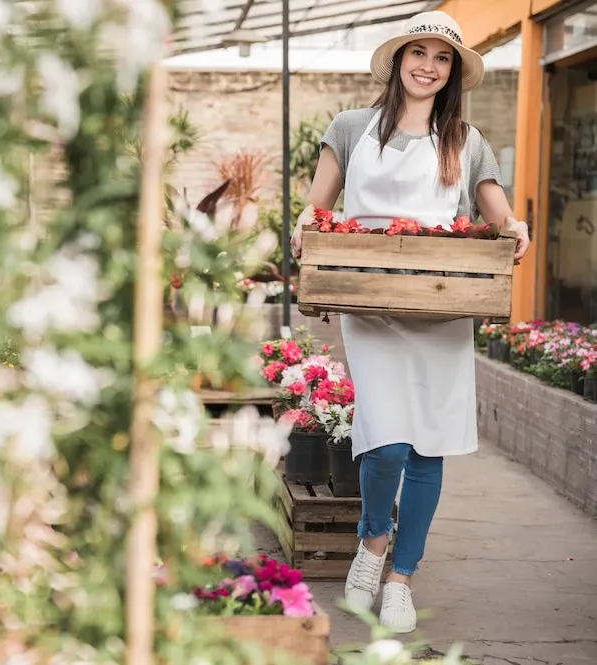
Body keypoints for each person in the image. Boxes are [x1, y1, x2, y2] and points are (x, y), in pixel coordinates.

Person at [290, 10, 531, 633]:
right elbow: (317, 208)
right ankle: (373, 541)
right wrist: (304, 227)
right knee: (385, 437)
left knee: (430, 443)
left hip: (442, 303)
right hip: (371, 305)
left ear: (452, 71)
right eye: (417, 52)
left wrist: (515, 227)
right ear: (398, 60)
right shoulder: (349, 128)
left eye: (442, 57)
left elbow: (497, 213)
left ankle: (402, 576)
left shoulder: (466, 141)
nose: (428, 65)